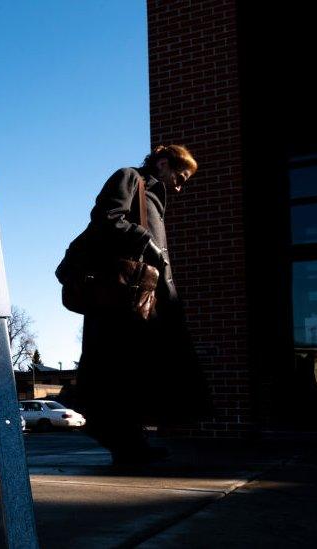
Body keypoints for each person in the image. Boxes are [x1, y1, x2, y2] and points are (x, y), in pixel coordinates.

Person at [74, 145, 210, 465]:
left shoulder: (152, 197)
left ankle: (131, 444)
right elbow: (107, 219)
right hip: (122, 299)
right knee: (118, 372)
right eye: (179, 177)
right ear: (163, 163)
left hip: (146, 300)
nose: (179, 186)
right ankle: (123, 441)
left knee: (135, 373)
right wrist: (145, 241)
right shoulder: (129, 178)